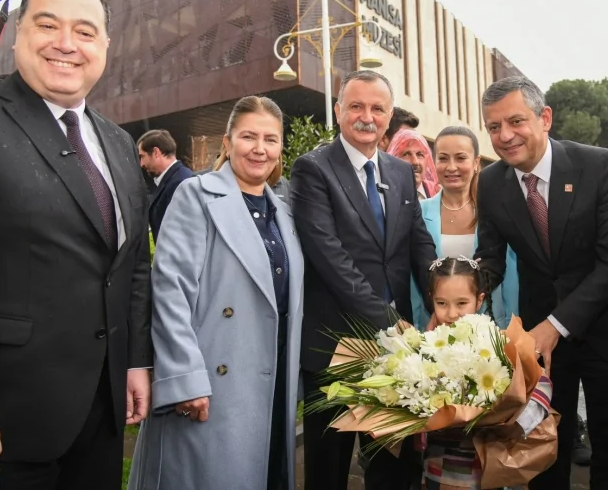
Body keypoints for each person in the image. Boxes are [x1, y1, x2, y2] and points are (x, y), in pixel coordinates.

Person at [0, 0, 152, 489]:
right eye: (47, 24)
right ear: (18, 33)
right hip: (2, 425)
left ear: (105, 45)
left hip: (99, 419)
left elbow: (132, 266)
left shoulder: (119, 142)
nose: (66, 43)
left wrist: (134, 362)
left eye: (84, 31)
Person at [474, 75, 608, 490]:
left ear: (544, 118)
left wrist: (556, 325)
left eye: (516, 121)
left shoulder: (598, 165)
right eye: (494, 126)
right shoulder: (491, 182)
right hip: (540, 340)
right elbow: (490, 259)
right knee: (543, 452)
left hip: (607, 328)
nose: (505, 136)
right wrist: (460, 295)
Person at [127, 96, 304, 490]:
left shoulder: (284, 212)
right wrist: (185, 378)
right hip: (210, 387)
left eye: (271, 139)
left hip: (270, 385)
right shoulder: (195, 195)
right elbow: (170, 291)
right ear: (227, 142)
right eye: (249, 136)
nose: (260, 149)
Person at [290, 69, 437, 490]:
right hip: (336, 347)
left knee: (393, 470)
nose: (366, 117)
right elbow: (331, 259)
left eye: (377, 108)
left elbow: (419, 245)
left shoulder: (400, 171)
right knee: (329, 471)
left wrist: (443, 301)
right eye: (356, 106)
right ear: (339, 111)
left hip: (396, 353)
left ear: (389, 117)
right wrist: (392, 324)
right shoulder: (312, 169)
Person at [420, 256, 552, 490]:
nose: (451, 314)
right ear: (431, 299)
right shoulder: (423, 349)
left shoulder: (498, 344)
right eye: (442, 303)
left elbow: (538, 383)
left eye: (462, 303)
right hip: (439, 467)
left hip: (488, 465)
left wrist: (513, 424)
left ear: (479, 300)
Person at [409, 126, 518, 330]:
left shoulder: (496, 211)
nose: (451, 167)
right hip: (435, 329)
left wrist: (512, 328)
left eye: (460, 158)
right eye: (443, 158)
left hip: (490, 328)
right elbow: (414, 280)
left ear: (476, 162)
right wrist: (417, 331)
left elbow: (510, 277)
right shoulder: (418, 213)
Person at [137, 129, 194, 242]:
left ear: (156, 152)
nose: (141, 164)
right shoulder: (174, 179)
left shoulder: (181, 182)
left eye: (142, 156)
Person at [386, 128, 440, 199]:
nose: (415, 162)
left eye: (419, 154)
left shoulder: (438, 194)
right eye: (406, 154)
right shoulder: (384, 195)